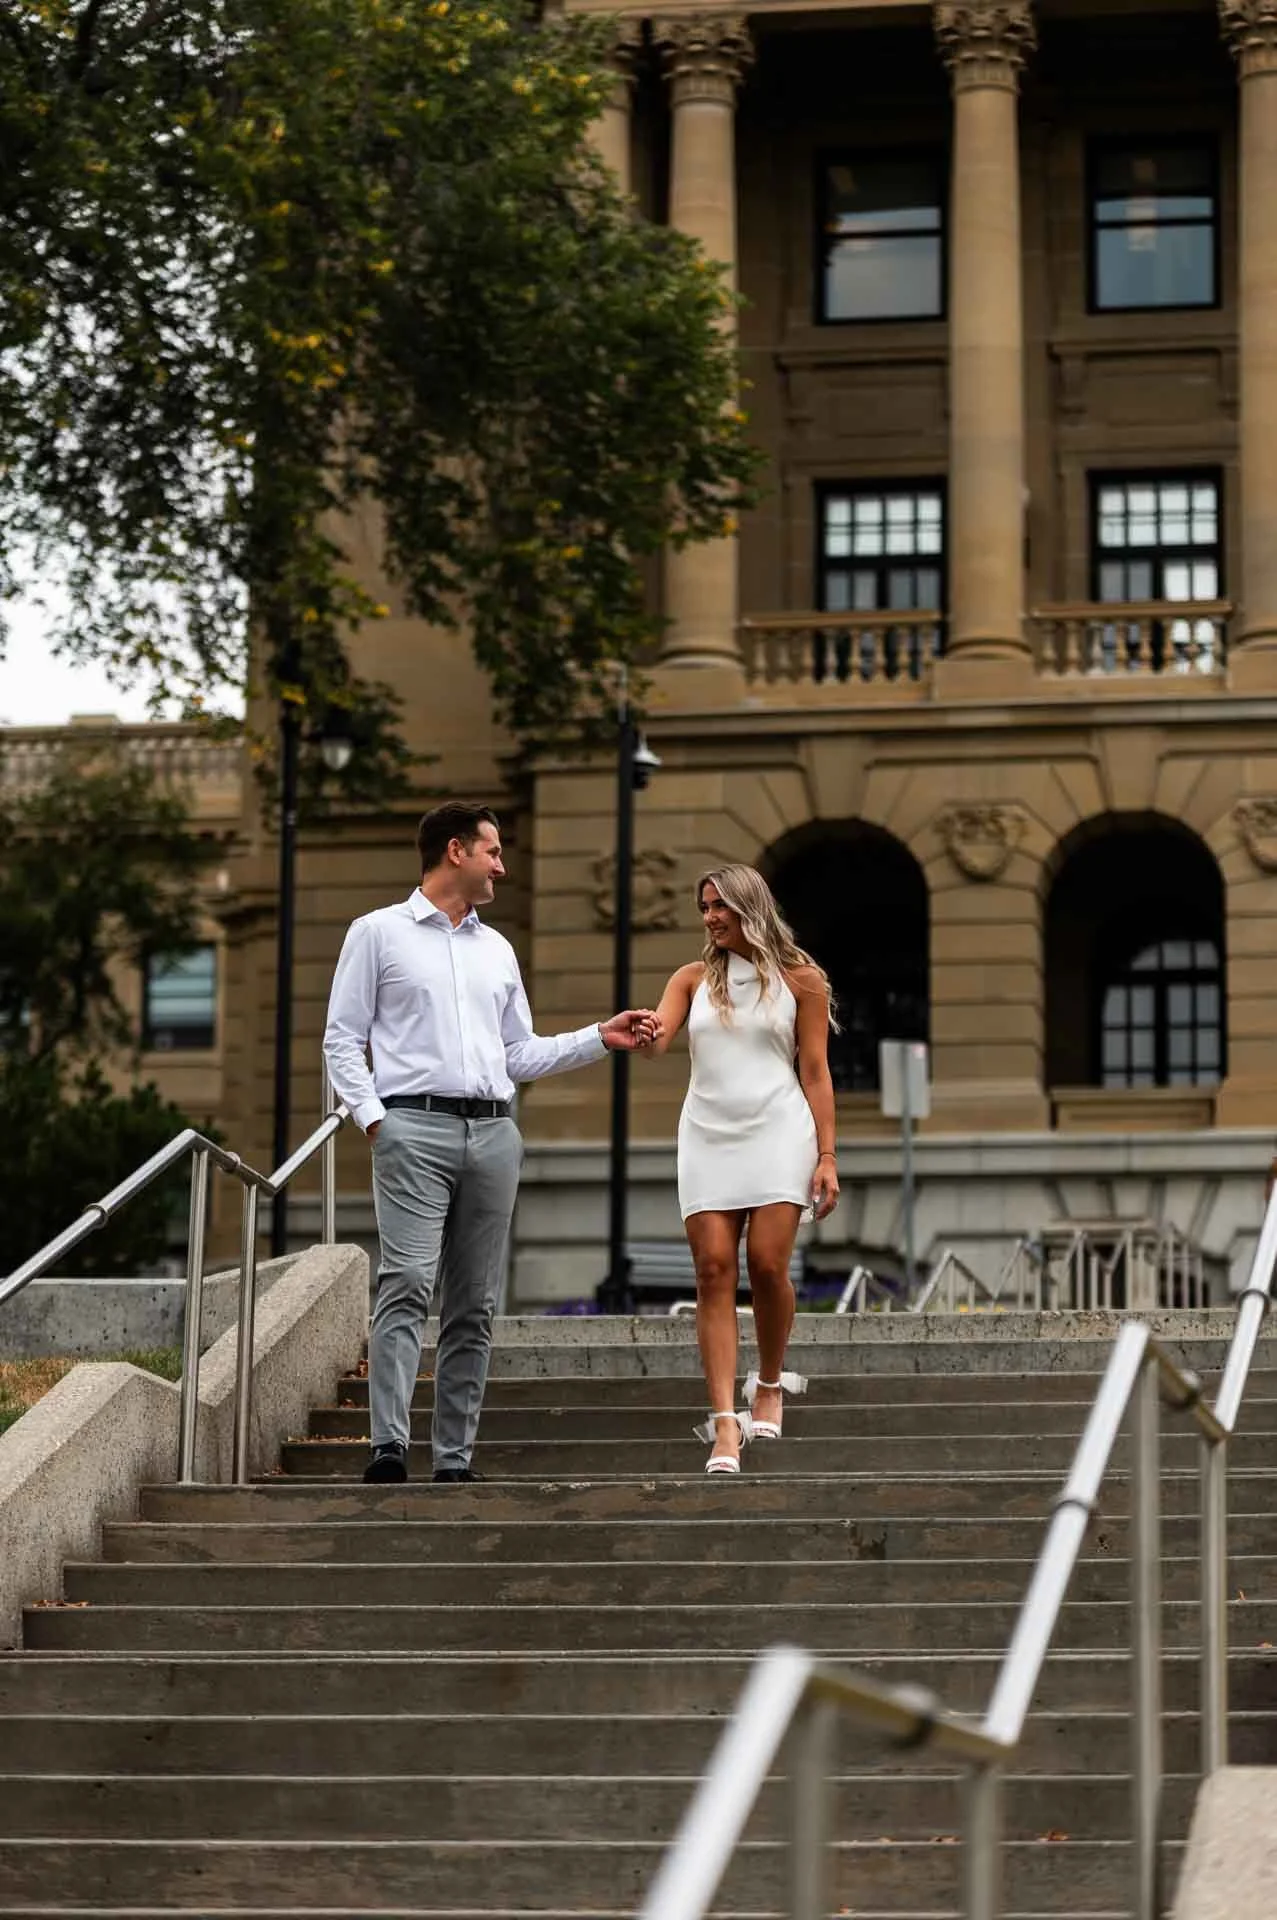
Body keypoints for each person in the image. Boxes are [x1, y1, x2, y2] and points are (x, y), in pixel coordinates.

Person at [323, 801, 659, 1485]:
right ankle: (388, 1445)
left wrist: (602, 1036)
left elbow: (519, 1054)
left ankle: (453, 1459)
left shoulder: (497, 949)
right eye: (493, 851)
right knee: (408, 1283)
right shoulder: (377, 933)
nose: (502, 865)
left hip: (493, 1133)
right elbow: (341, 1037)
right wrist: (374, 1119)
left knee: (473, 1303)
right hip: (411, 1128)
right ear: (455, 851)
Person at [645, 865, 839, 1474]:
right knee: (712, 1270)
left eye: (720, 906)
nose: (710, 917)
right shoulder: (692, 979)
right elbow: (658, 1041)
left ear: (749, 905)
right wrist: (643, 1029)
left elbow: (814, 1071)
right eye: (704, 906)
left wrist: (828, 1155)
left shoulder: (802, 981)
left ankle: (772, 1382)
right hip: (707, 1132)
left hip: (780, 1128)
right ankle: (725, 1424)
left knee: (767, 1263)